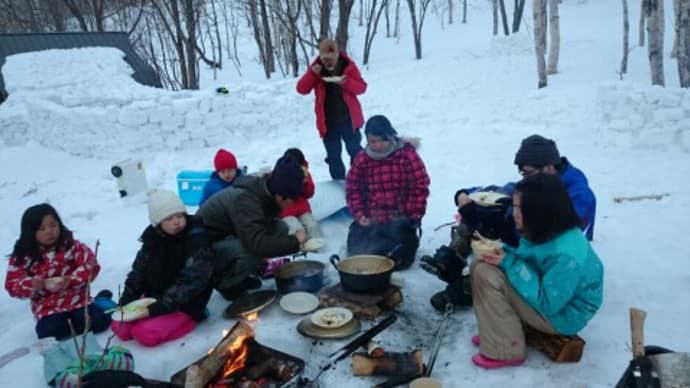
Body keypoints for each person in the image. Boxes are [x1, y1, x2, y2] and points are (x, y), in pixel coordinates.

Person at [423, 134, 597, 312]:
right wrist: (466, 194)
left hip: (549, 259)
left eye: (528, 173)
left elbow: (549, 239)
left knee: (496, 241)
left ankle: (467, 290)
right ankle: (452, 264)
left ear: (549, 167)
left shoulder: (579, 195)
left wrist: (501, 226)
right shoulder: (535, 182)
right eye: (523, 174)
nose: (524, 178)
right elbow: (501, 191)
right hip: (531, 241)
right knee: (476, 217)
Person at [470, 173, 603, 369]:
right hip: (548, 296)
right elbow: (529, 254)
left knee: (487, 275)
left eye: (520, 208)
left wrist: (509, 262)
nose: (514, 213)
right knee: (481, 265)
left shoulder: (567, 257)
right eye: (514, 206)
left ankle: (506, 349)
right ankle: (497, 332)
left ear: (540, 211)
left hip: (563, 315)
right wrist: (502, 250)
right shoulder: (546, 228)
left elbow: (548, 303)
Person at [196, 155, 311, 300]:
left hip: (229, 234)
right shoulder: (245, 200)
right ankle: (225, 284)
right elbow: (256, 245)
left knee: (279, 227)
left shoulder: (265, 190)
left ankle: (247, 273)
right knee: (249, 251)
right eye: (291, 200)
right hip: (204, 249)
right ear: (280, 196)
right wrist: (294, 241)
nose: (291, 204)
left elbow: (261, 227)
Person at [111, 189, 214, 347]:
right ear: (158, 223)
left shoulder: (196, 239)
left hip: (185, 303)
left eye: (179, 215)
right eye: (169, 218)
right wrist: (127, 299)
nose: (177, 222)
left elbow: (193, 280)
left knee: (144, 334)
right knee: (120, 327)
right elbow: (139, 272)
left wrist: (160, 307)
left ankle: (193, 320)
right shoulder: (152, 240)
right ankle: (157, 318)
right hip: (155, 298)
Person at [5, 203, 111, 340]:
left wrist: (71, 279)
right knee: (49, 332)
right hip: (47, 307)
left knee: (97, 323)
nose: (49, 231)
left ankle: (102, 301)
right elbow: (12, 284)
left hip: (78, 299)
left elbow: (91, 265)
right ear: (31, 232)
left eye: (53, 225)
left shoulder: (71, 246)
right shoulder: (24, 256)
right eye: (42, 228)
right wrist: (33, 284)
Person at [345, 115, 430, 270]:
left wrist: (411, 216)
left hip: (399, 218)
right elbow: (352, 188)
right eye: (373, 141)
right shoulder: (362, 159)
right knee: (357, 255)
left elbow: (420, 186)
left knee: (400, 258)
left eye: (381, 140)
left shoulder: (406, 155)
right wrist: (360, 214)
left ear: (390, 137)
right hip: (372, 218)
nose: (377, 145)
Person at [297, 38, 367, 180]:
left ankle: (359, 180)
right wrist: (312, 74)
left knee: (355, 152)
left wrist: (346, 82)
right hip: (328, 123)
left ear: (337, 55)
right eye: (325, 59)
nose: (329, 62)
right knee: (333, 157)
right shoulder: (317, 68)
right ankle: (339, 185)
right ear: (321, 57)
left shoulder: (348, 65)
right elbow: (301, 89)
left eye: (332, 58)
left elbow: (362, 88)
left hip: (350, 120)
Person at [279, 148, 325, 248]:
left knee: (313, 226)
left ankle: (321, 248)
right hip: (286, 211)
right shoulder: (280, 173)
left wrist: (305, 183)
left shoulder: (304, 173)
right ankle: (301, 250)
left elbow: (309, 194)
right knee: (297, 229)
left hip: (302, 209)